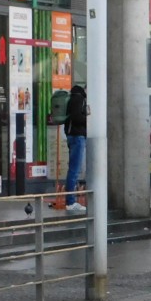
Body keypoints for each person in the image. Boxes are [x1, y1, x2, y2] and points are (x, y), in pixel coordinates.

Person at [62, 84, 87, 213]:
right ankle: (70, 201)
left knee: (74, 169)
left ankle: (71, 200)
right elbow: (77, 117)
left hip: (73, 136)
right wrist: (88, 119)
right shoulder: (79, 98)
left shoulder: (73, 97)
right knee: (74, 170)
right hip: (77, 136)